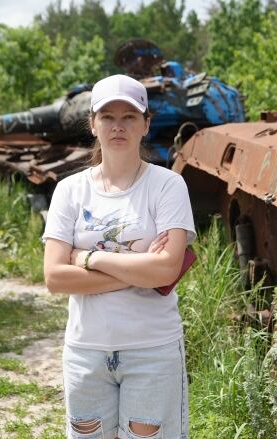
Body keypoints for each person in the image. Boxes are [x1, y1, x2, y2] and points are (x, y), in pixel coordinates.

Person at [42, 74, 195, 439]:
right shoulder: (70, 191)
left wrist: (88, 259)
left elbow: (167, 268)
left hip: (152, 350)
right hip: (86, 351)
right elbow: (54, 278)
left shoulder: (167, 185)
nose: (118, 126)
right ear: (93, 125)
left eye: (129, 116)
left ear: (145, 124)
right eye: (107, 117)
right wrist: (141, 267)